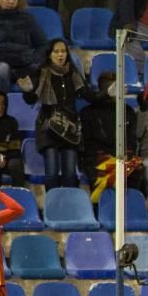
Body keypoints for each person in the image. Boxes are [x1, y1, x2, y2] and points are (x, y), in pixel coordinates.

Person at [22, 38, 98, 191]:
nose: (60, 55)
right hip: (48, 127)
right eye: (56, 51)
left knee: (70, 174)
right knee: (52, 174)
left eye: (63, 51)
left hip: (69, 128)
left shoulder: (73, 73)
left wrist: (107, 94)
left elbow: (88, 95)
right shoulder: (42, 73)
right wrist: (28, 91)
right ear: (49, 54)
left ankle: (68, 209)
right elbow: (32, 99)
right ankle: (52, 207)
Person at [80, 72, 143, 202]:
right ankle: (100, 210)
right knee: (105, 172)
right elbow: (87, 142)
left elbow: (131, 139)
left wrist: (128, 153)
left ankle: (131, 209)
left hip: (122, 156)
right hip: (97, 158)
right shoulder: (88, 112)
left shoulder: (128, 111)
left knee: (137, 169)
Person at [0, 0, 47, 91]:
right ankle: (3, 103)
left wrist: (35, 57)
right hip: (0, 61)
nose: (11, 1)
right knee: (3, 69)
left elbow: (43, 44)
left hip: (24, 62)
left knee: (41, 68)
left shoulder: (28, 19)